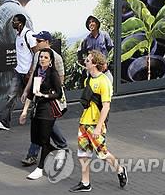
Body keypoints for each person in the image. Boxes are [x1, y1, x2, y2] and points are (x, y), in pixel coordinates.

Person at [69, 50, 127, 192]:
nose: (85, 62)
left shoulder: (104, 82)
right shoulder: (87, 80)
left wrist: (98, 127)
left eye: (88, 60)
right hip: (84, 122)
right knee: (83, 154)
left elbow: (106, 106)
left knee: (103, 153)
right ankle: (85, 183)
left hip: (95, 124)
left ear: (94, 63)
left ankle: (120, 170)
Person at [19, 31, 68, 166]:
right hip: (38, 97)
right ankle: (62, 144)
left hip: (49, 100)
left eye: (39, 41)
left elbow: (61, 78)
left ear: (47, 42)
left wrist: (50, 92)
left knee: (41, 125)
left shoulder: (56, 58)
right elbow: (34, 75)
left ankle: (32, 155)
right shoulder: (37, 56)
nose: (36, 43)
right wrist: (27, 90)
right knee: (45, 124)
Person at [0, 13, 37, 130]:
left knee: (33, 97)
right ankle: (4, 122)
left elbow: (36, 53)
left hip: (28, 73)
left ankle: (39, 119)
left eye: (14, 21)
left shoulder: (29, 35)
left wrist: (32, 70)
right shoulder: (18, 36)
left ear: (20, 23)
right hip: (18, 72)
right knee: (11, 96)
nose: (12, 23)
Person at [77, 15, 114, 82]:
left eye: (92, 22)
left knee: (109, 88)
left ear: (97, 24)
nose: (91, 24)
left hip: (104, 70)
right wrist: (86, 65)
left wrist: (106, 62)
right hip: (92, 72)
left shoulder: (104, 35)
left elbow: (111, 49)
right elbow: (79, 53)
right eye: (89, 23)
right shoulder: (85, 40)